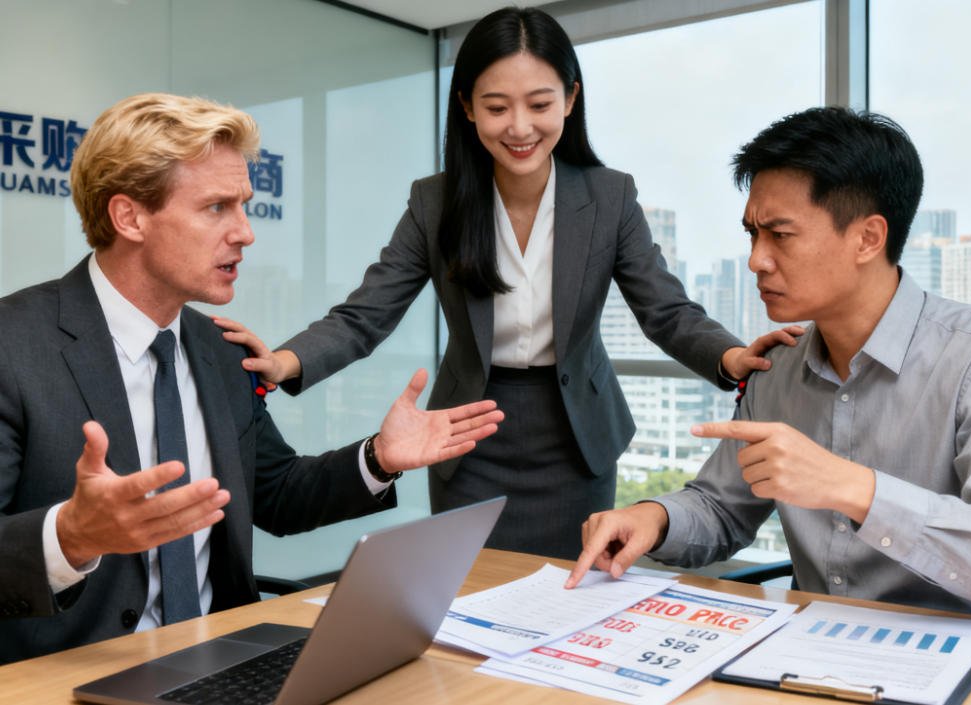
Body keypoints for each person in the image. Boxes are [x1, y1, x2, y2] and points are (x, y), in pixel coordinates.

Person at [220, 6, 797, 560]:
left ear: (570, 100)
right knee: (468, 595)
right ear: (468, 108)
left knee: (570, 598)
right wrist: (285, 361)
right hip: (469, 433)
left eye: (540, 103)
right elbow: (367, 313)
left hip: (575, 436)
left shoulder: (609, 196)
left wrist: (730, 354)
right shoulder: (435, 201)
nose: (519, 127)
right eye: (496, 107)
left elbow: (665, 310)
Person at [0, 92, 504, 664]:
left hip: (222, 660)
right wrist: (70, 536)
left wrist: (378, 458)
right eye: (217, 208)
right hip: (63, 674)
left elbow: (277, 496)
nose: (245, 232)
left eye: (243, 206)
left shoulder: (217, 348)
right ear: (129, 216)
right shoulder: (13, 348)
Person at [567, 107, 971, 627]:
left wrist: (852, 488)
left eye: (780, 235)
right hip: (818, 650)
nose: (756, 260)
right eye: (752, 235)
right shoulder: (780, 367)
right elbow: (722, 508)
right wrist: (652, 518)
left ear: (868, 238)